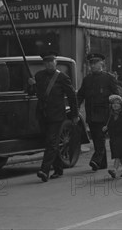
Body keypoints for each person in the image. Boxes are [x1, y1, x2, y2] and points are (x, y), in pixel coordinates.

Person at [34, 52, 79, 182]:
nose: (49, 64)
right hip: (43, 115)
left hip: (57, 116)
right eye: (46, 62)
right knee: (50, 143)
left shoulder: (62, 77)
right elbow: (35, 93)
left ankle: (44, 170)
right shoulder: (39, 76)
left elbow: (72, 96)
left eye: (51, 62)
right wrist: (32, 85)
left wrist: (75, 114)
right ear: (44, 64)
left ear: (56, 63)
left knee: (51, 142)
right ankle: (58, 169)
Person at [77, 53, 122, 171]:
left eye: (95, 63)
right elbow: (80, 95)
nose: (92, 65)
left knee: (100, 138)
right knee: (96, 138)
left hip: (104, 114)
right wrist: (76, 107)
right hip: (91, 114)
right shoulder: (87, 79)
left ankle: (95, 160)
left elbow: (117, 94)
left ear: (101, 63)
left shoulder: (108, 78)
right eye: (91, 63)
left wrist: (117, 109)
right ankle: (102, 163)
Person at [103, 94, 122, 178]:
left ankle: (114, 170)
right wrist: (106, 129)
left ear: (121, 105)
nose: (115, 105)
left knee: (118, 155)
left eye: (117, 103)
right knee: (120, 156)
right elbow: (111, 127)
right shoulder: (111, 116)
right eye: (113, 103)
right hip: (114, 139)